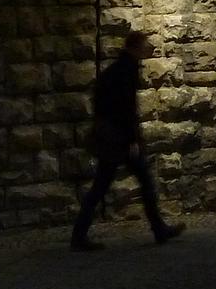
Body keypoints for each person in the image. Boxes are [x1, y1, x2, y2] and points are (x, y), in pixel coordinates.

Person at [70, 30, 185, 251]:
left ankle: (80, 235)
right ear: (136, 47)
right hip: (119, 138)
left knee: (105, 185)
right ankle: (158, 229)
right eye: (144, 45)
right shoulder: (127, 69)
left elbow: (106, 102)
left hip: (112, 137)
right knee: (134, 182)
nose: (147, 49)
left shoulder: (117, 68)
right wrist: (132, 139)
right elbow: (125, 107)